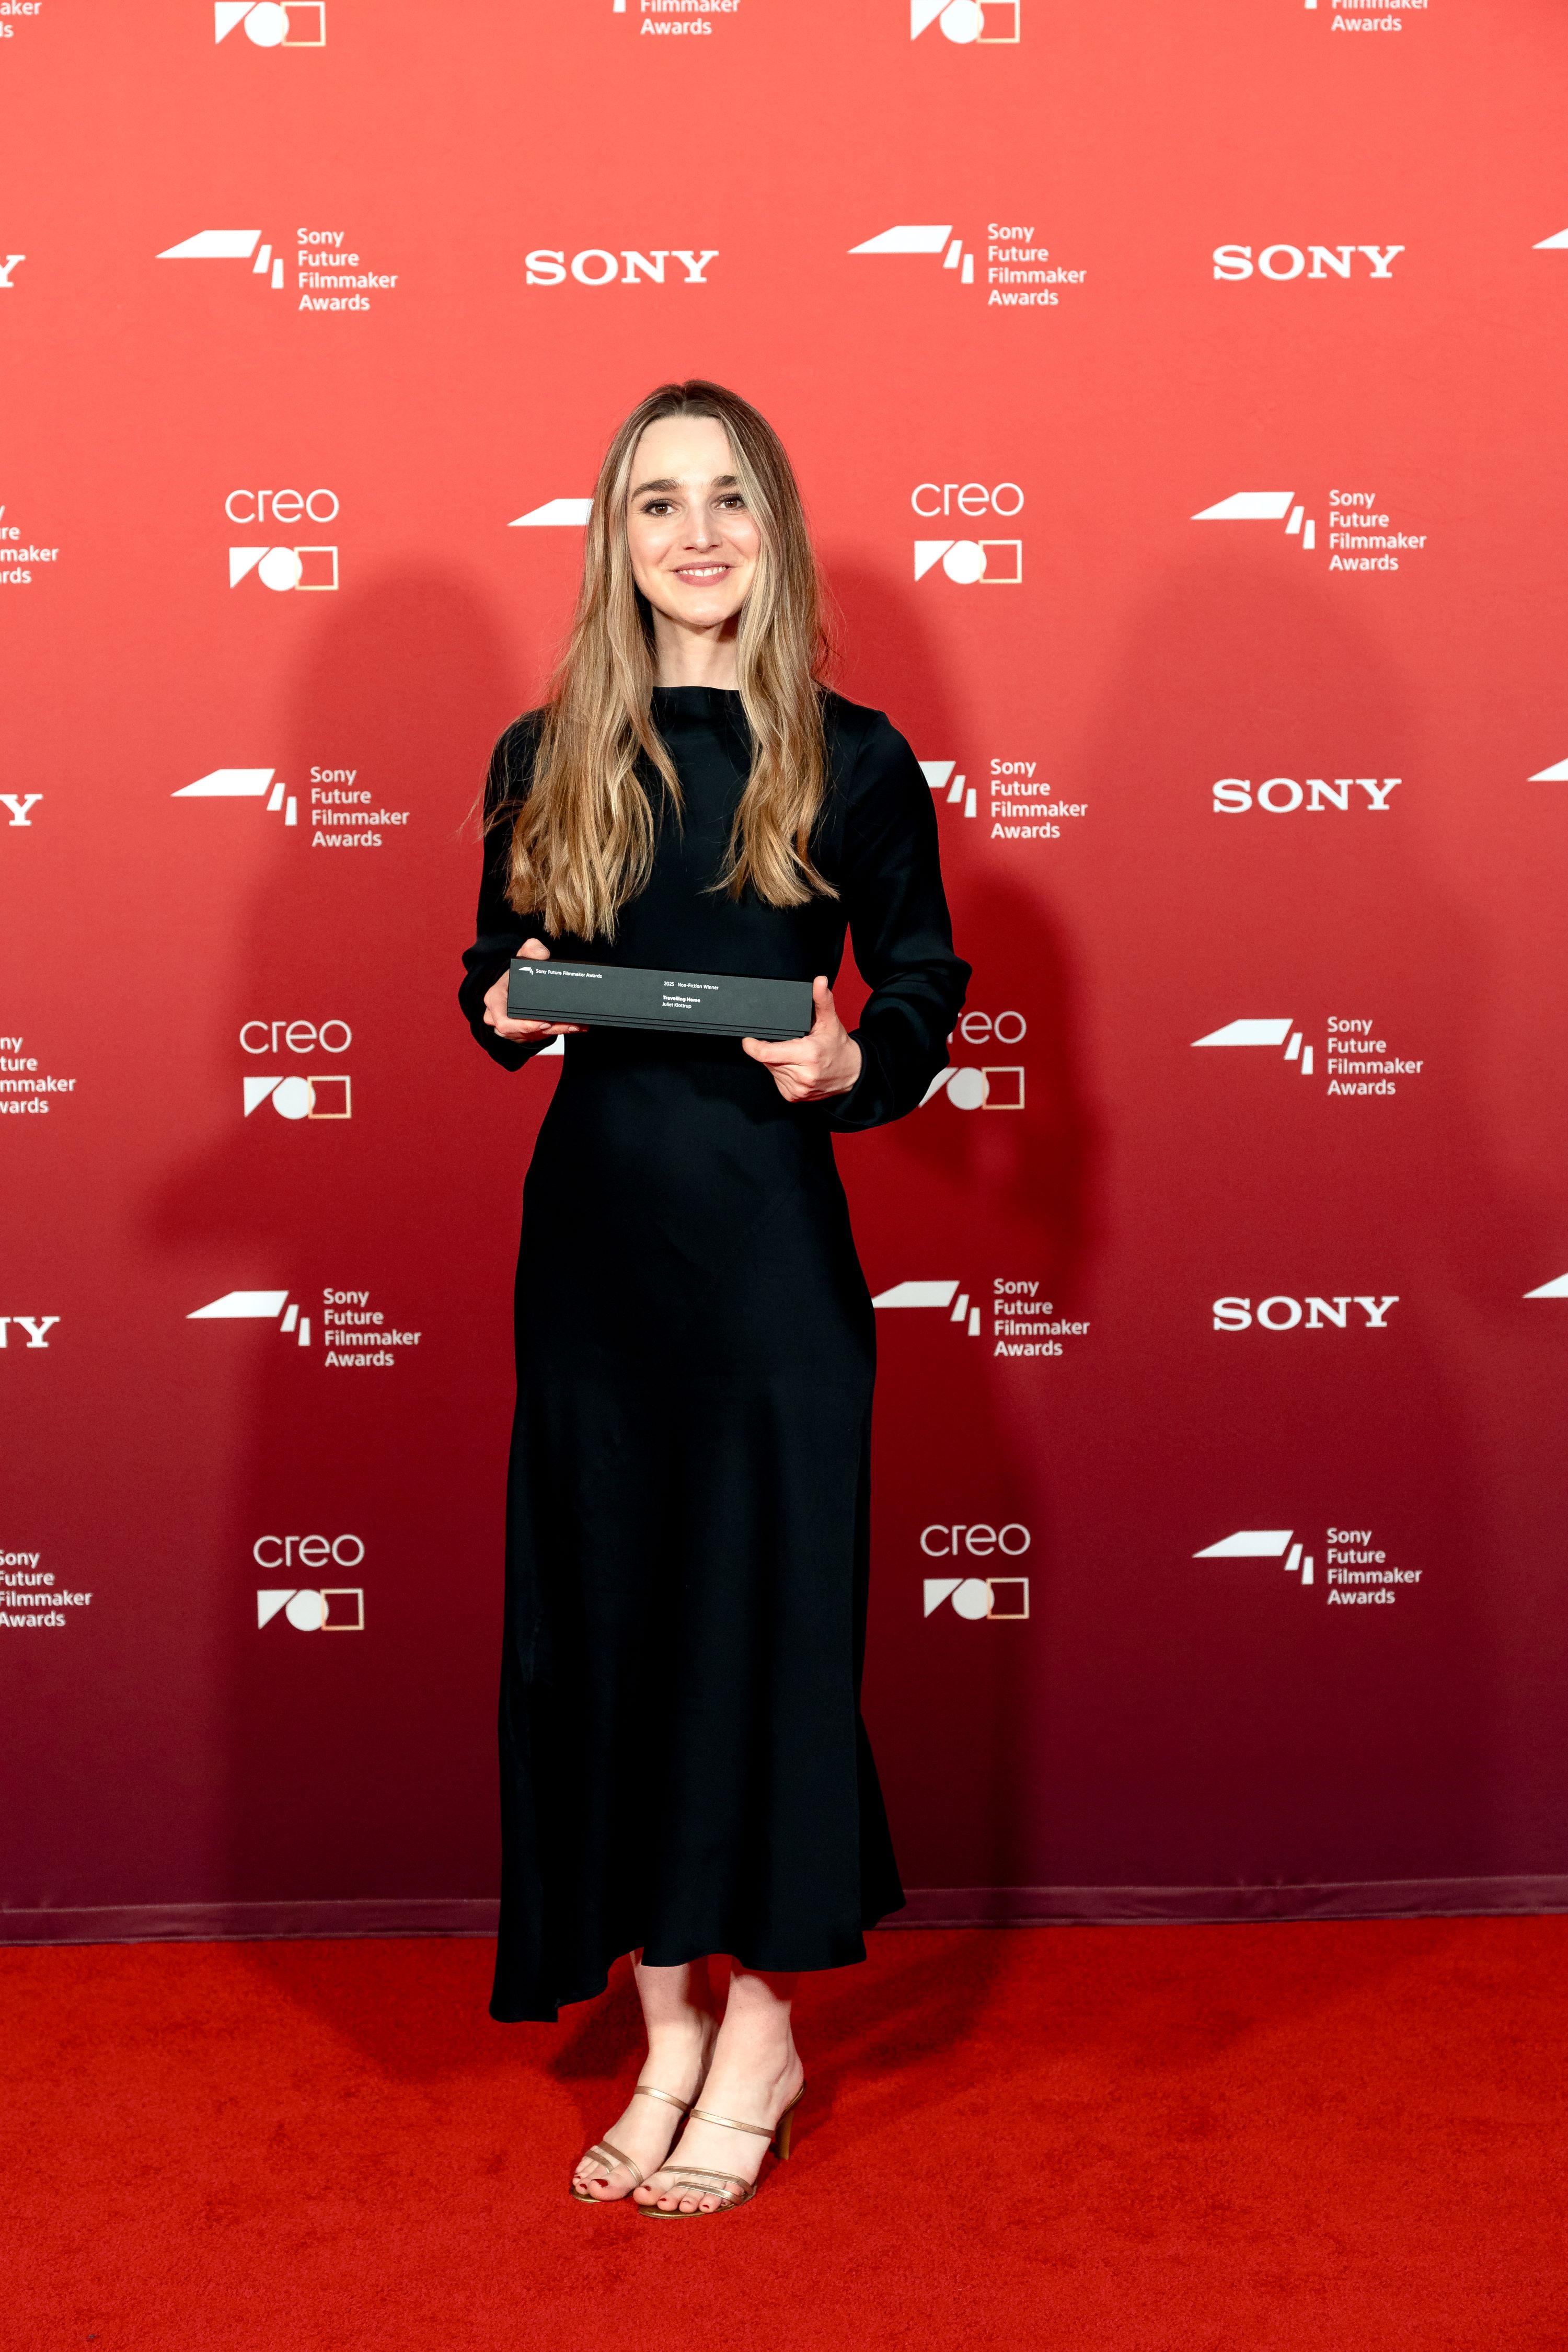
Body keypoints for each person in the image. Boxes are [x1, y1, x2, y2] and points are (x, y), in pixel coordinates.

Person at [459, 380, 969, 2216]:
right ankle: (664, 2016)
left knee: (761, 1626)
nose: (696, 535)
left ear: (779, 531)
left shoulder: (858, 755)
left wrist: (856, 1063)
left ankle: (764, 2018)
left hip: (767, 1263)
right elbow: (492, 965)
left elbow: (918, 982)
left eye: (732, 501)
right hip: (589, 1259)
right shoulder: (546, 752)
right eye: (660, 502)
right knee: (606, 1621)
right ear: (618, 536)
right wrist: (501, 1005)